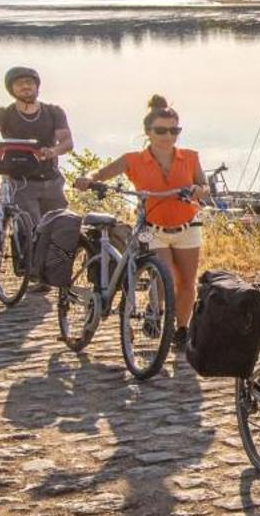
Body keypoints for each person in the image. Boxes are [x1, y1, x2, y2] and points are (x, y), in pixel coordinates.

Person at [86, 95, 211, 352]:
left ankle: (181, 330)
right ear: (148, 132)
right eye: (161, 130)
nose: (168, 136)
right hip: (153, 228)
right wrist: (87, 178)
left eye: (174, 130)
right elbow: (100, 173)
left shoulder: (189, 157)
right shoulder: (132, 159)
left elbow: (205, 187)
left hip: (187, 227)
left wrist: (197, 190)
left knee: (187, 282)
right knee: (162, 272)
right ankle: (155, 309)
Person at [0, 65, 73, 228]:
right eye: (19, 84)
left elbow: (67, 142)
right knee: (30, 228)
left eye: (29, 82)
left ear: (37, 86)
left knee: (59, 229)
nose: (25, 86)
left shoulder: (53, 112)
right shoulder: (5, 113)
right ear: (12, 89)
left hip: (51, 180)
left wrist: (53, 151)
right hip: (20, 182)